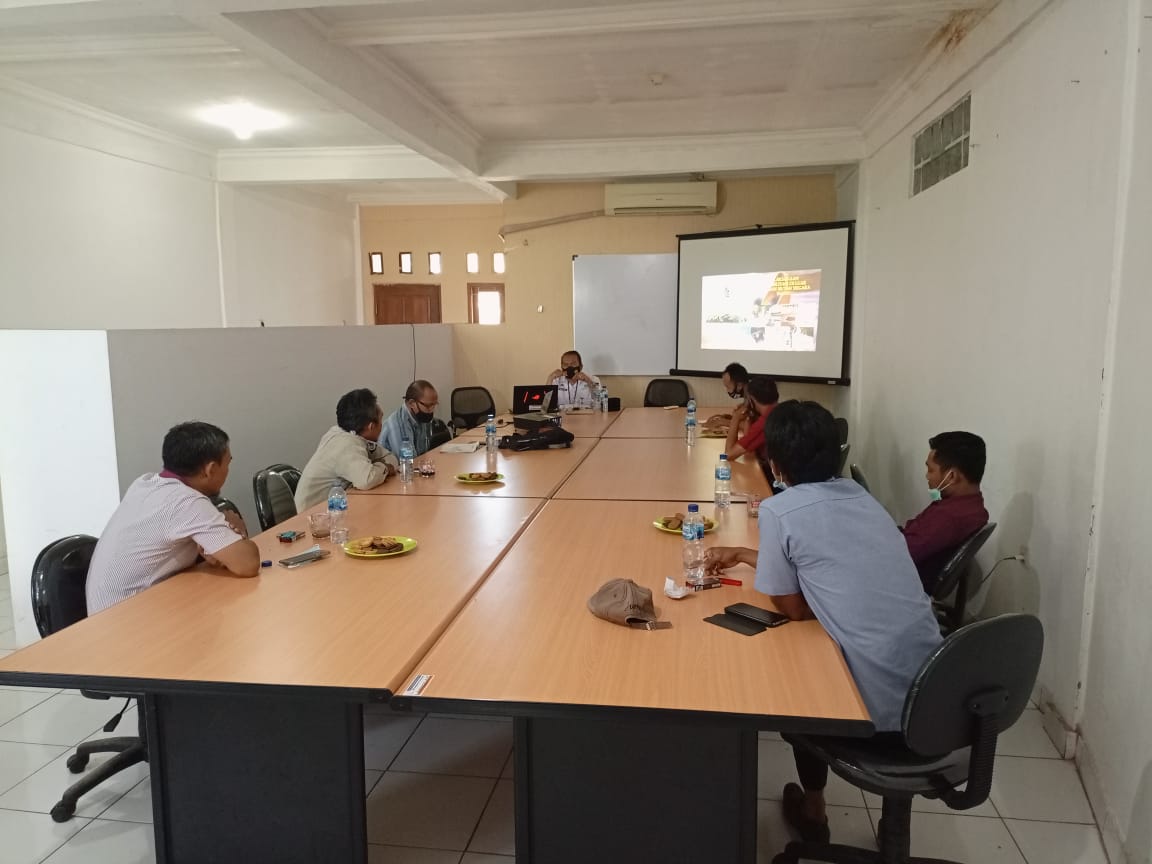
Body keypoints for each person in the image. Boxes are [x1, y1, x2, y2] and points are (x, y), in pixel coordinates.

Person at [704, 401, 941, 844]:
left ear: (773, 463)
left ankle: (814, 809)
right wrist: (740, 554)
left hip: (878, 715)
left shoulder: (781, 510)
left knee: (795, 686)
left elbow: (791, 605)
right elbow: (827, 566)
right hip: (937, 692)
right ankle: (887, 824)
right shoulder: (864, 499)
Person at [86, 422, 261, 614]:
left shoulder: (144, 484)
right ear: (210, 470)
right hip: (127, 623)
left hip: (106, 616)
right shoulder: (187, 502)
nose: (228, 470)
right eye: (228, 463)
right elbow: (247, 564)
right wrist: (237, 530)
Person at [900, 431, 990, 593]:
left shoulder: (948, 518)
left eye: (931, 470)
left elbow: (899, 556)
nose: (927, 476)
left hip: (903, 580)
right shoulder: (974, 507)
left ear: (952, 476)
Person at [295, 389, 393, 511]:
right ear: (371, 426)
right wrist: (384, 468)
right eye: (380, 419)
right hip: (313, 518)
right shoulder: (346, 444)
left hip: (334, 510)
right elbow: (367, 479)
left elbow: (389, 457)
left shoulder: (346, 434)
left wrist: (382, 464)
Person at [379, 380, 439, 458]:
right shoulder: (398, 425)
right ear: (412, 403)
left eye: (434, 405)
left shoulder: (419, 417)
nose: (431, 410)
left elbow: (423, 454)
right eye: (428, 406)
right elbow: (408, 462)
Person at [723, 376, 779, 461]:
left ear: (751, 399)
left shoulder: (766, 422)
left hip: (773, 471)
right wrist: (749, 417)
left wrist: (736, 418)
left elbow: (728, 455)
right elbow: (748, 438)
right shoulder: (778, 412)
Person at [705, 363, 750, 430]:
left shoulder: (755, 399)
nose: (727, 391)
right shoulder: (748, 398)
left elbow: (752, 427)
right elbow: (745, 420)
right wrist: (729, 418)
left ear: (740, 385)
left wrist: (723, 422)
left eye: (728, 387)